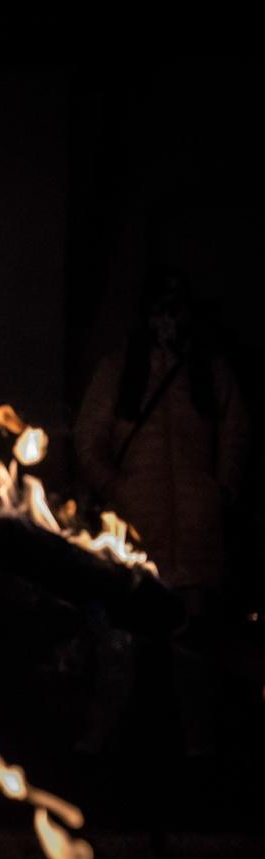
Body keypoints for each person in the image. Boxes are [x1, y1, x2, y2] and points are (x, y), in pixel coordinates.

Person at [73, 267, 249, 757]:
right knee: (120, 645)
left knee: (191, 648)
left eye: (177, 312)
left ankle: (198, 749)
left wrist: (220, 490)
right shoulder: (118, 370)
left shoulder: (210, 373)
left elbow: (236, 433)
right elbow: (90, 438)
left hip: (194, 528)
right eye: (161, 311)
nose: (169, 322)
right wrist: (116, 487)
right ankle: (106, 741)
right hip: (135, 528)